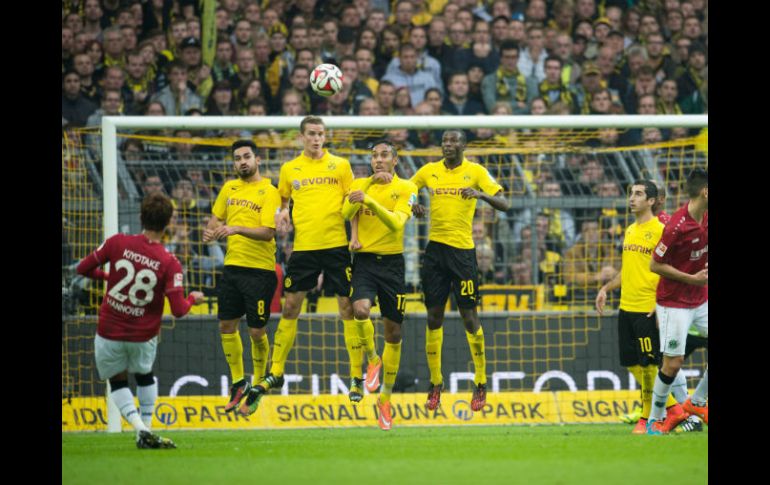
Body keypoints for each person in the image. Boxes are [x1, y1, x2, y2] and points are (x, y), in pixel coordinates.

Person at [76, 193, 204, 449]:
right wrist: (192, 298)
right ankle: (145, 431)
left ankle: (139, 428)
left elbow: (83, 268)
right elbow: (178, 310)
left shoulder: (117, 243)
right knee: (145, 375)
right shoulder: (170, 262)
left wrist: (107, 277)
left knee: (118, 380)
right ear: (168, 224)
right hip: (143, 336)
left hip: (109, 331)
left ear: (140, 217)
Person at [245, 116, 357, 409]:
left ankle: (356, 374)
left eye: (321, 134)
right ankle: (277, 370)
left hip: (336, 246)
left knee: (347, 306)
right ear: (302, 137)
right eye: (311, 134)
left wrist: (355, 235)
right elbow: (283, 202)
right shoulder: (289, 169)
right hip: (305, 248)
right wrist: (282, 213)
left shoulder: (341, 166)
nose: (317, 138)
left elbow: (353, 203)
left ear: (325, 136)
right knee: (291, 305)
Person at [411, 130, 509, 411]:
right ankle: (435, 383)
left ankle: (480, 381)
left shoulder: (476, 171)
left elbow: (504, 203)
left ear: (463, 146)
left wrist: (480, 194)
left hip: (463, 254)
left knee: (469, 315)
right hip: (435, 252)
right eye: (444, 141)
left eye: (453, 141)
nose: (448, 145)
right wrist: (412, 204)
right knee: (433, 315)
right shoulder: (429, 171)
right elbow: (404, 189)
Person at [595, 180, 687, 434]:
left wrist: (663, 302)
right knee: (631, 363)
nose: (632, 198)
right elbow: (628, 269)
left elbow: (674, 268)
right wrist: (606, 289)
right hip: (626, 306)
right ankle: (674, 408)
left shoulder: (661, 230)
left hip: (648, 308)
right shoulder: (630, 230)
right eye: (630, 194)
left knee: (648, 365)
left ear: (651, 201)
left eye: (638, 194)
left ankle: (648, 419)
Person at [341, 140, 418, 430]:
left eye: (384, 155)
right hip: (364, 263)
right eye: (374, 156)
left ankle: (384, 398)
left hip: (393, 265)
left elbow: (397, 224)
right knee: (359, 310)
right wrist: (361, 198)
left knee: (394, 332)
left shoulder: (407, 188)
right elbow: (345, 214)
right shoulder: (361, 183)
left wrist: (369, 200)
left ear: (395, 160)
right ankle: (372, 359)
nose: (378, 160)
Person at [202, 140, 282, 416]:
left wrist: (234, 228)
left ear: (257, 159)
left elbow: (269, 232)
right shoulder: (228, 188)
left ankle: (259, 381)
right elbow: (214, 221)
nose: (242, 162)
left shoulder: (269, 191)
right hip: (233, 267)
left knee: (256, 331)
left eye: (247, 156)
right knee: (226, 325)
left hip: (260, 271)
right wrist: (210, 232)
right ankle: (239, 382)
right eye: (237, 158)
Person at [647, 168, 708, 434]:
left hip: (701, 299)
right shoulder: (676, 226)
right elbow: (655, 264)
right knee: (673, 363)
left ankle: (697, 402)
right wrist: (691, 278)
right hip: (674, 302)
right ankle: (655, 419)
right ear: (705, 192)